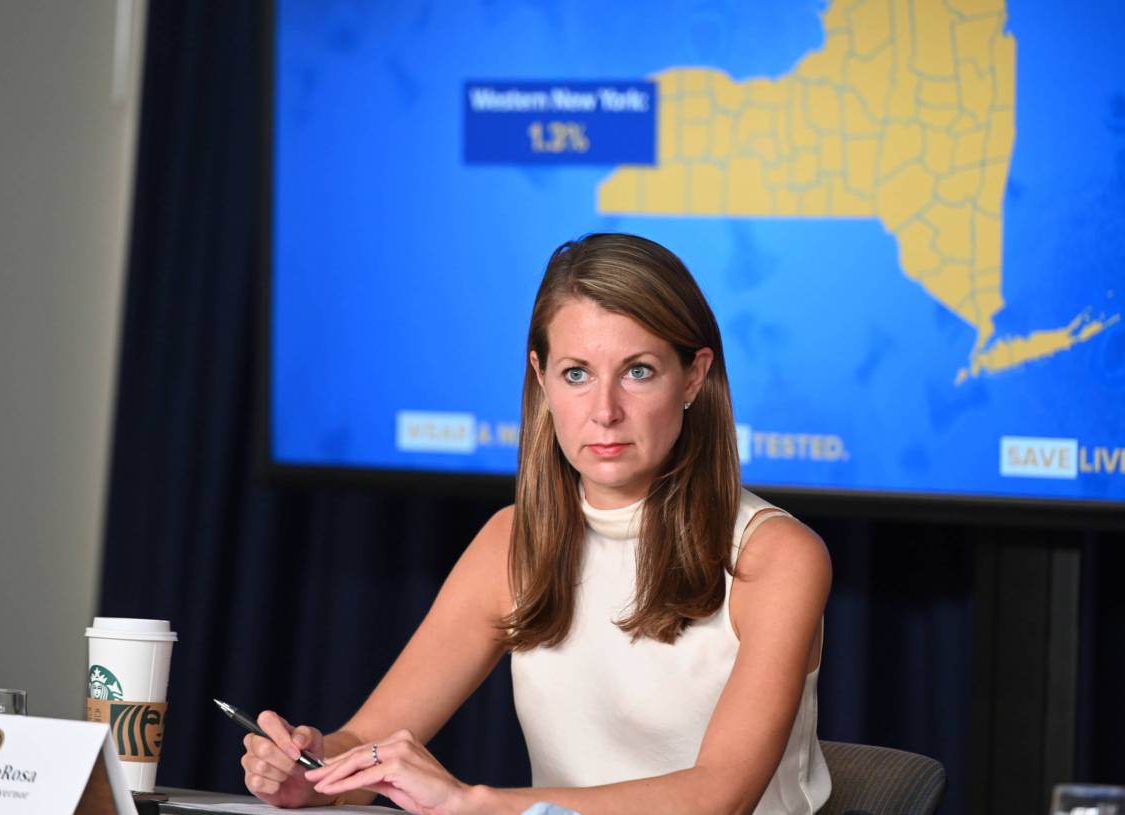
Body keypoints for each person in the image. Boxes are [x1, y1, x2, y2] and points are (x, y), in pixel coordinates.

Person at [240, 233, 833, 814]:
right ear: (542, 380)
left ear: (694, 377)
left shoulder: (776, 556)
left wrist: (477, 803)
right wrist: (315, 772)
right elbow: (363, 745)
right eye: (577, 373)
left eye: (639, 371)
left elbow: (718, 798)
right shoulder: (512, 540)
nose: (605, 411)